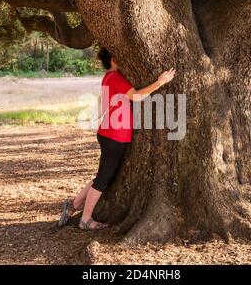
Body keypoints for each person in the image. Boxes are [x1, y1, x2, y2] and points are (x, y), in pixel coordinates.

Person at [58, 47, 176, 230]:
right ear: (113, 59)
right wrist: (160, 82)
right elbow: (136, 96)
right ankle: (85, 220)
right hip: (115, 135)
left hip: (109, 133)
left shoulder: (108, 77)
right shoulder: (116, 78)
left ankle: (73, 206)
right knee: (103, 179)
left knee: (102, 176)